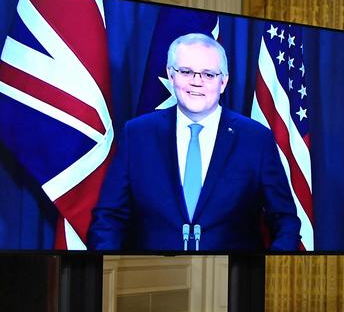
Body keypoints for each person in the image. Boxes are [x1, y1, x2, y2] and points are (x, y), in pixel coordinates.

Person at [89, 33, 300, 252]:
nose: (196, 82)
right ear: (171, 76)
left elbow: (286, 222)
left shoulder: (256, 139)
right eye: (186, 71)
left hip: (229, 277)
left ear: (223, 81)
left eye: (209, 74)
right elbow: (108, 218)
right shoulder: (138, 134)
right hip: (148, 276)